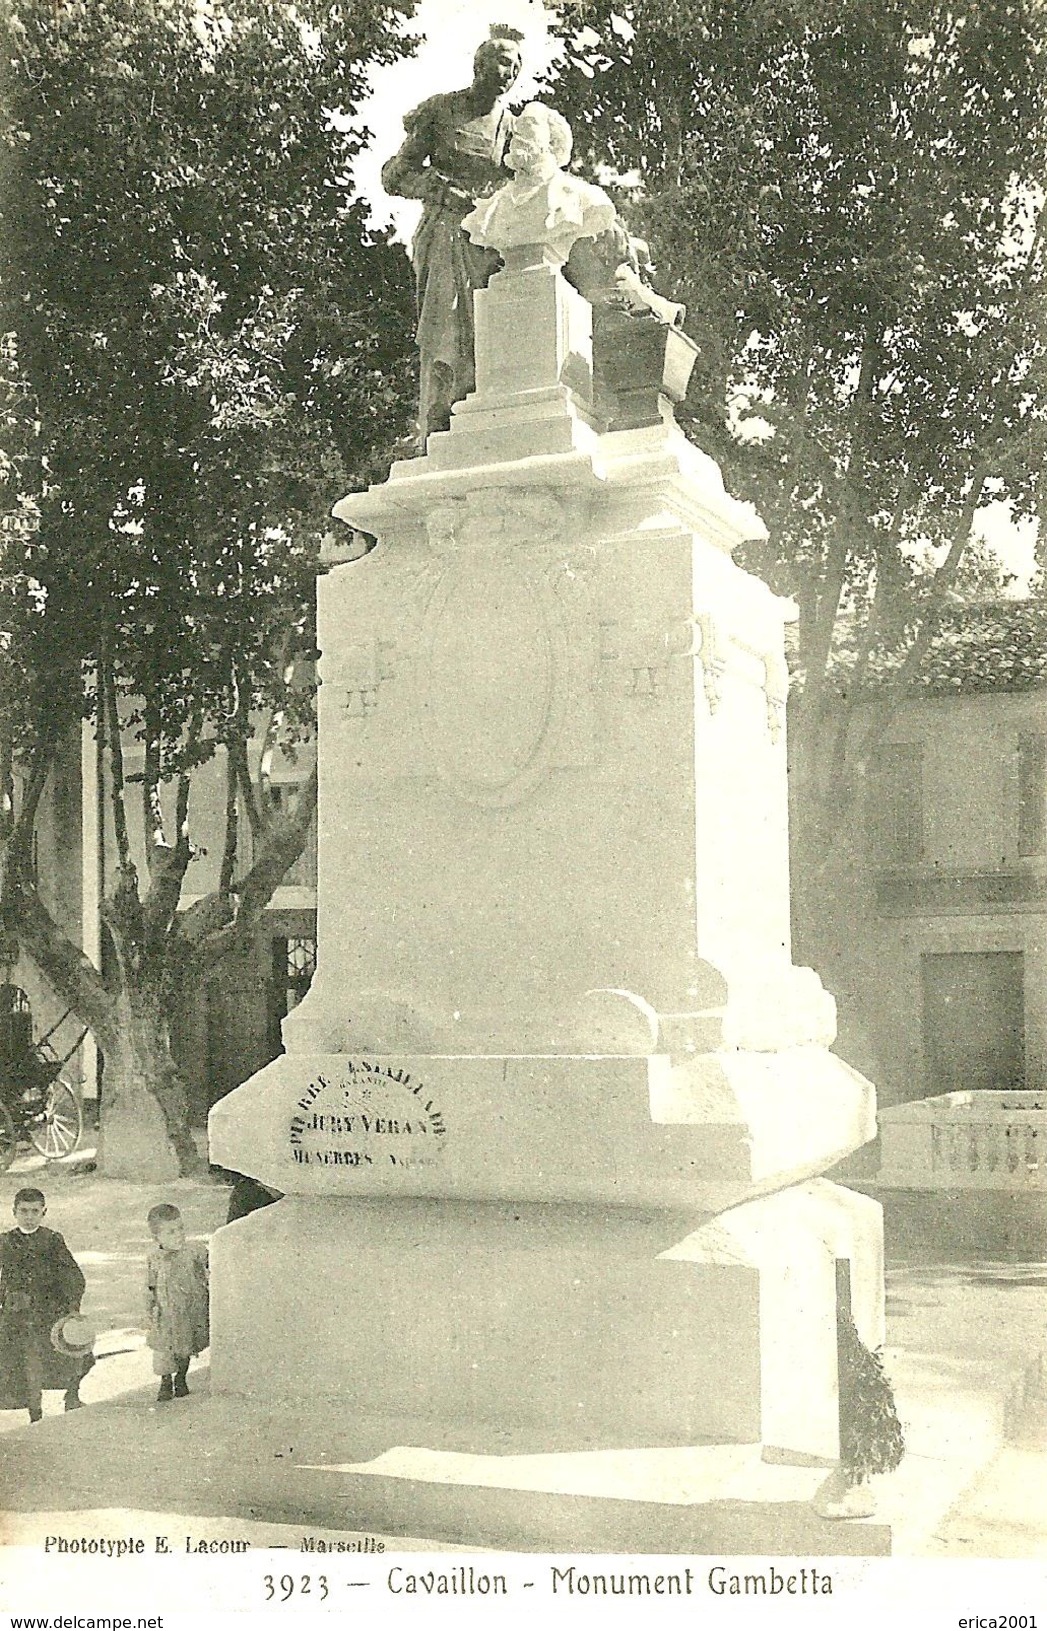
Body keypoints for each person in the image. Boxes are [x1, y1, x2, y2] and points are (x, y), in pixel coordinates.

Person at [381, 24, 524, 441]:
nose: (509, 71)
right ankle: (437, 423)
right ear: (479, 64)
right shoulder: (441, 111)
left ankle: (483, 426)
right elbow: (395, 173)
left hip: (491, 240)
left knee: (492, 330)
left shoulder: (514, 128)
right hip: (445, 233)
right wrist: (439, 190)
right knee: (446, 326)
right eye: (501, 61)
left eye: (516, 65)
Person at [463, 102, 617, 264]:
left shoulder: (586, 198)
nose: (517, 131)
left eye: (529, 123)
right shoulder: (489, 206)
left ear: (553, 142)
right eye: (517, 125)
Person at [0, 1186, 93, 1423]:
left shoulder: (52, 1240)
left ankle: (72, 1396)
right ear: (14, 1212)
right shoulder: (6, 1242)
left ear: (44, 1212)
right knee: (28, 1362)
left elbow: (72, 1274)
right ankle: (35, 1412)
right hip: (19, 1315)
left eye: (34, 1211)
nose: (29, 1216)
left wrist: (72, 1307)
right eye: (23, 1211)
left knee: (75, 1351)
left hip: (50, 1312)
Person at [145, 1202, 209, 1403]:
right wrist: (149, 1308)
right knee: (164, 1349)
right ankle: (165, 1381)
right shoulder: (155, 1258)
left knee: (185, 1345)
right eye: (171, 1232)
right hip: (165, 1311)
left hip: (189, 1308)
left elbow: (211, 1266)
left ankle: (181, 1378)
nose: (179, 1234)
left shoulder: (194, 1252)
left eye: (180, 1228)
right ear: (157, 1237)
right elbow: (150, 1285)